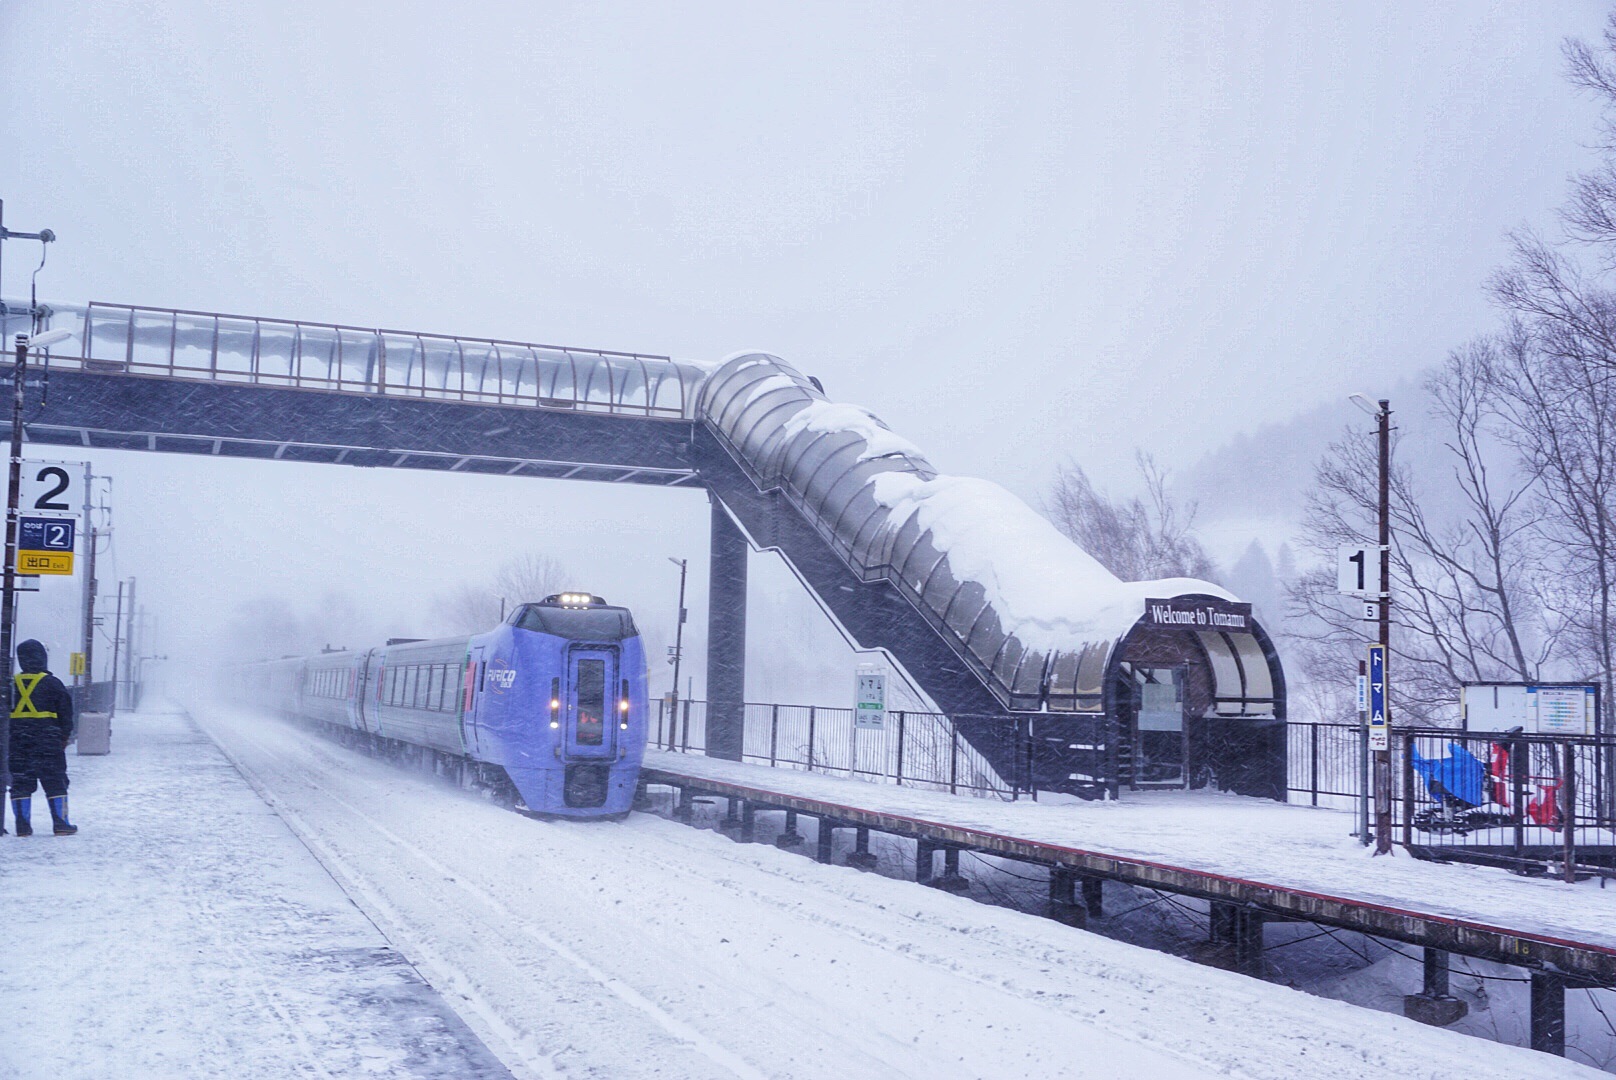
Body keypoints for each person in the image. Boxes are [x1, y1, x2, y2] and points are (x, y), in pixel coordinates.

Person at [9, 639, 76, 836]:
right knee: (55, 782)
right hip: (48, 742)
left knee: (20, 783)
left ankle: (22, 827)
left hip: (17, 742)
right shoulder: (52, 684)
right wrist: (64, 736)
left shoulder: (11, 685)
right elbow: (66, 713)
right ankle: (61, 824)